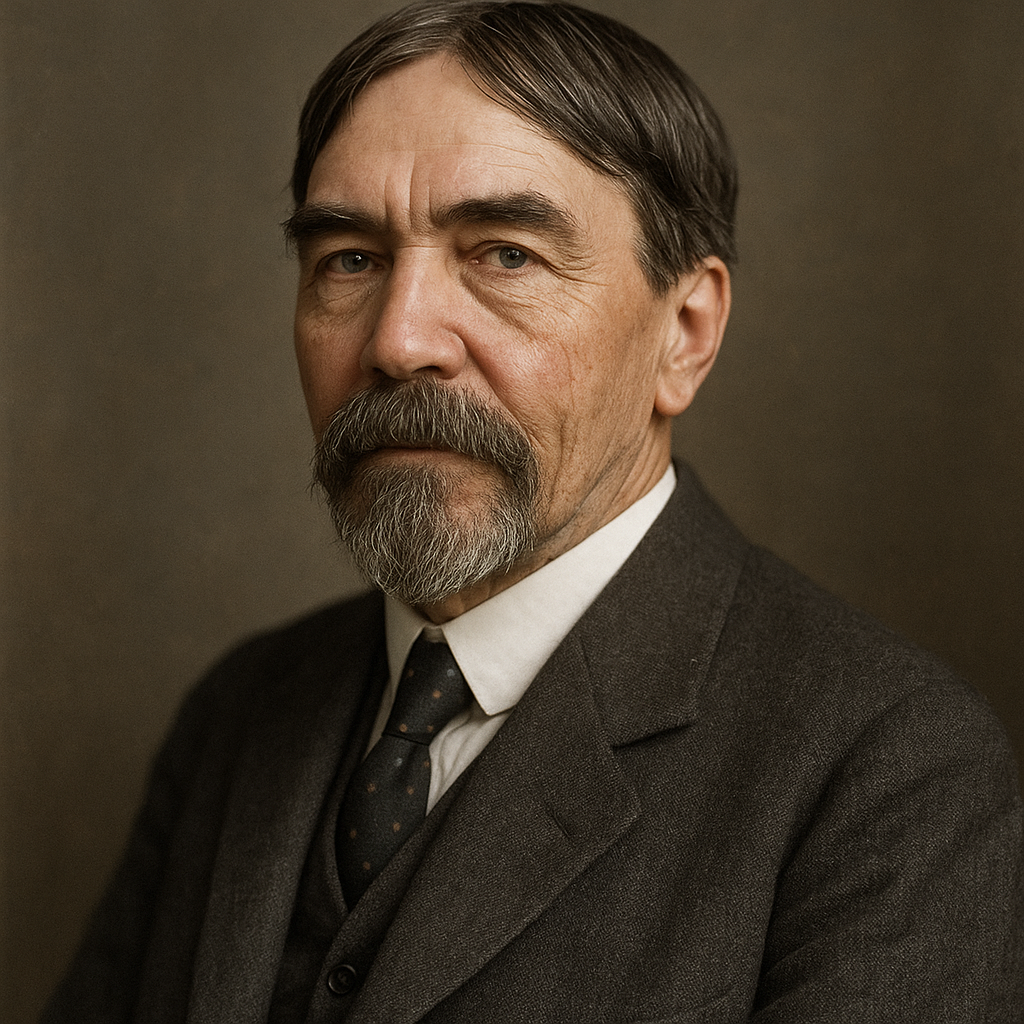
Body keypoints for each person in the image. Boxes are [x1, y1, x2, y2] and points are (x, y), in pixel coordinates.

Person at [43, 2, 1023, 1021]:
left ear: (685, 333)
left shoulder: (888, 769)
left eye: (505, 254)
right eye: (350, 260)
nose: (398, 341)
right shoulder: (239, 712)